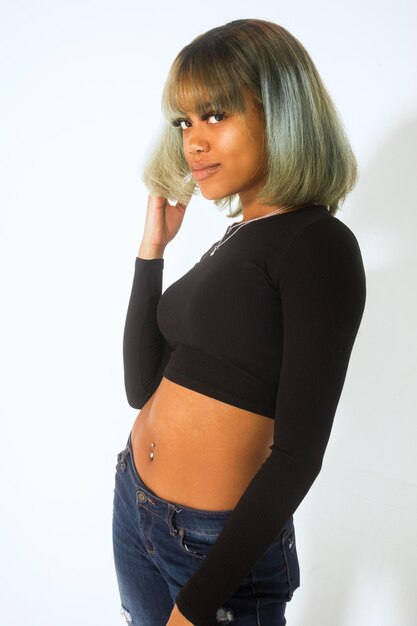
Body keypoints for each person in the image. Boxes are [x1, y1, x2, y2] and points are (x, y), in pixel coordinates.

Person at [112, 18, 366, 626]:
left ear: (280, 112)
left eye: (216, 115)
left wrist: (197, 606)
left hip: (215, 553)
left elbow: (299, 456)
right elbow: (139, 386)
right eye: (184, 122)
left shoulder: (317, 243)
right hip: (136, 508)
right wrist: (153, 250)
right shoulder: (238, 237)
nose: (192, 142)